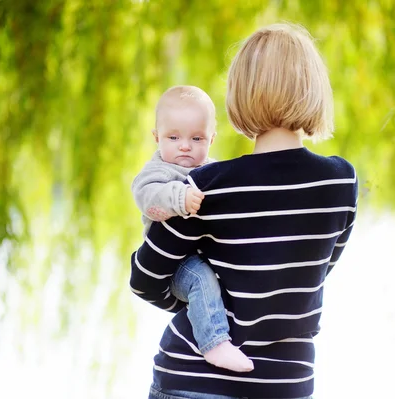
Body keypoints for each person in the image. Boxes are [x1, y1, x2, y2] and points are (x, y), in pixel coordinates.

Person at [130, 22, 358, 399]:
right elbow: (313, 272)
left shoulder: (208, 185)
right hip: (286, 384)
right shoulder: (340, 182)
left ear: (241, 93)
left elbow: (145, 276)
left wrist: (209, 309)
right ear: (313, 89)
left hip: (192, 380)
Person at [131, 85, 254, 373]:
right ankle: (213, 344)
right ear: (157, 138)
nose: (185, 146)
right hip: (177, 265)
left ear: (211, 138)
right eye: (174, 137)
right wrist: (179, 198)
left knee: (215, 277)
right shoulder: (159, 173)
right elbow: (147, 197)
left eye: (196, 138)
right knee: (201, 280)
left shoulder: (212, 170)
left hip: (204, 254)